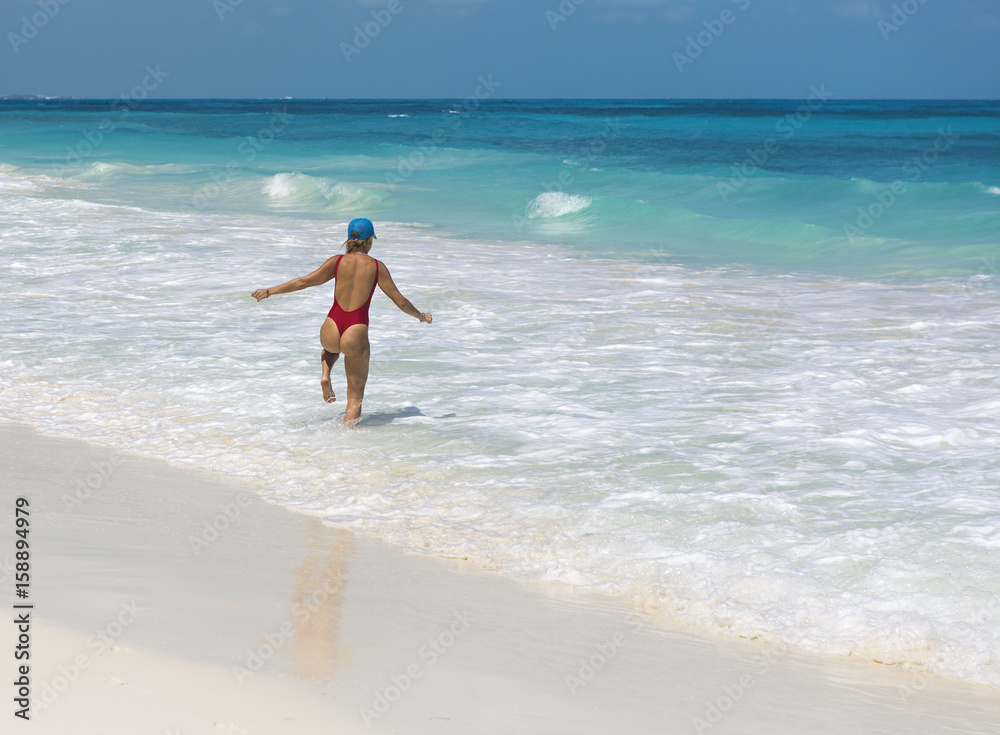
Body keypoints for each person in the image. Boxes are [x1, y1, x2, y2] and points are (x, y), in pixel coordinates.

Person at [251, 218, 432, 427]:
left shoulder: (336, 262)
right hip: (356, 328)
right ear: (369, 240)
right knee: (355, 397)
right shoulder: (376, 266)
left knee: (331, 349)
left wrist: (269, 291)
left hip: (331, 325)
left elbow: (303, 282)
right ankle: (347, 444)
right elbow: (399, 301)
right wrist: (420, 316)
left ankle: (325, 374)